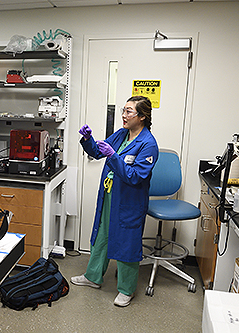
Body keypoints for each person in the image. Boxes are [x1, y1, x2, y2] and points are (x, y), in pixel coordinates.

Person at [71, 95, 158, 307]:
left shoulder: (148, 144)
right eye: (124, 110)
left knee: (126, 241)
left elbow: (135, 176)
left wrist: (114, 157)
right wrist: (88, 140)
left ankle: (127, 290)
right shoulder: (121, 134)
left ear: (143, 116)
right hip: (110, 195)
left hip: (129, 200)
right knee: (102, 235)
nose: (124, 115)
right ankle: (93, 277)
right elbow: (98, 151)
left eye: (129, 111)